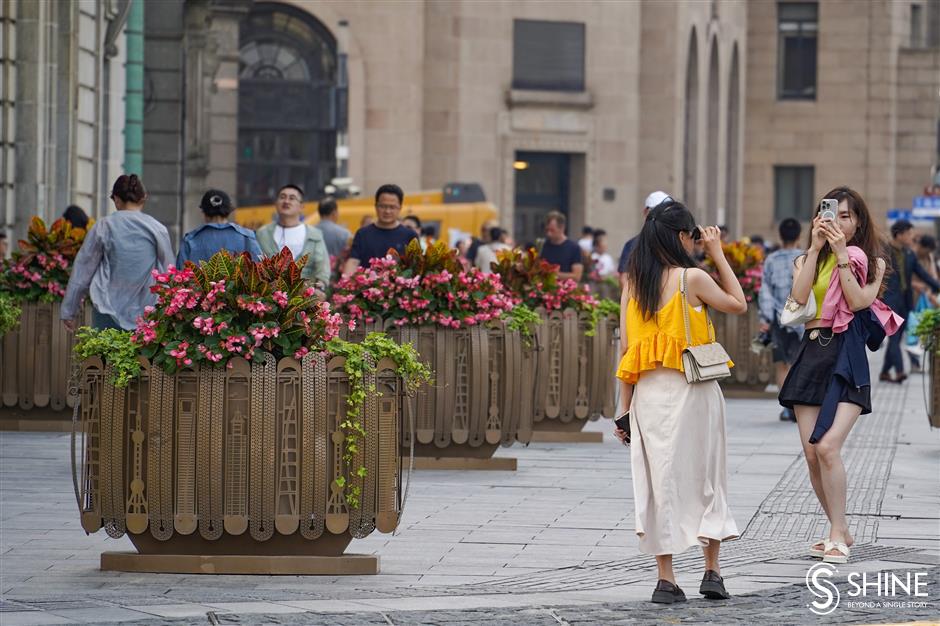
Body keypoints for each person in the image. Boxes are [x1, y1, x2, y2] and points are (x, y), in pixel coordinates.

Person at [614, 200, 746, 604]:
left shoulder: (632, 286)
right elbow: (738, 304)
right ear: (681, 237)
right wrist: (719, 254)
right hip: (694, 390)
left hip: (650, 397)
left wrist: (623, 410)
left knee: (660, 484)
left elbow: (626, 351)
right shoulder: (692, 278)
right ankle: (712, 571)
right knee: (707, 478)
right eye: (692, 235)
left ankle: (666, 580)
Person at [780, 186, 898, 565]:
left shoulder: (872, 262)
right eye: (831, 214)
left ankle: (836, 533)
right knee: (812, 453)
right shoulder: (805, 259)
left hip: (846, 355)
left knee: (828, 447)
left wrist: (844, 257)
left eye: (846, 216)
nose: (837, 221)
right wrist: (815, 251)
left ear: (858, 221)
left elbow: (858, 301)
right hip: (811, 352)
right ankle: (839, 528)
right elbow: (799, 299)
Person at [61, 174, 173, 331]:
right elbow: (169, 271)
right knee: (142, 355)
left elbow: (83, 270)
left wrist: (69, 311)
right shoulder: (157, 229)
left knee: (106, 354)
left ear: (116, 199)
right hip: (148, 312)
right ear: (144, 198)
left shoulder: (104, 226)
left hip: (107, 308)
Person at [880, 219, 940, 382]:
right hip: (888, 302)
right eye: (909, 234)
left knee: (898, 337)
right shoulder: (884, 252)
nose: (912, 237)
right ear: (899, 234)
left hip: (905, 303)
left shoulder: (909, 254)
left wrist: (937, 286)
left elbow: (923, 274)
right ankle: (899, 371)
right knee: (894, 337)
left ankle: (885, 372)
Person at [758, 218, 804, 422]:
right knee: (799, 364)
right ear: (799, 236)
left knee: (781, 364)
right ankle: (799, 405)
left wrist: (765, 317)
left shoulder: (771, 260)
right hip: (801, 319)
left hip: (778, 318)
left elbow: (765, 291)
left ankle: (786, 408)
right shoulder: (804, 258)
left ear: (780, 236)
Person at [256, 184, 331, 287]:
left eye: (292, 198)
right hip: (269, 297)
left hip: (304, 298)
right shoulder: (262, 234)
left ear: (301, 206)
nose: (286, 201)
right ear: (276, 203)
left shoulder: (314, 235)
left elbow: (323, 269)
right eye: (282, 197)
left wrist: (320, 288)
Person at [342, 184, 418, 275]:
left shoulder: (410, 235)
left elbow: (416, 266)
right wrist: (346, 281)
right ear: (376, 206)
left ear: (400, 208)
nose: (387, 211)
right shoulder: (362, 234)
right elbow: (353, 261)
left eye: (392, 207)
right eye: (383, 206)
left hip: (399, 287)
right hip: (367, 287)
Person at [177, 189, 262, 267]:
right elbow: (260, 272)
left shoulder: (190, 240)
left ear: (204, 213)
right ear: (228, 212)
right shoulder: (247, 238)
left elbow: (180, 277)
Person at [617, 191, 672, 287]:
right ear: (646, 212)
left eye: (666, 212)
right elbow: (624, 277)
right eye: (656, 211)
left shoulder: (675, 242)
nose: (661, 216)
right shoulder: (633, 244)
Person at [539, 211, 583, 281]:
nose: (548, 234)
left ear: (562, 228)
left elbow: (577, 276)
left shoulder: (574, 248)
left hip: (565, 290)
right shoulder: (543, 246)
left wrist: (554, 274)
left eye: (552, 230)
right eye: (547, 230)